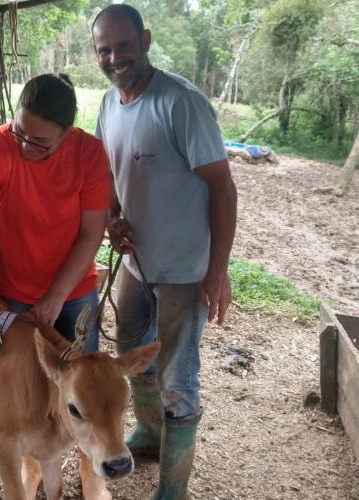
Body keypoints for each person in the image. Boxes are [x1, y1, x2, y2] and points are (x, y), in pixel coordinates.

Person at [92, 5, 238, 499]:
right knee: (133, 353)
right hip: (136, 262)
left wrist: (217, 272)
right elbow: (110, 177)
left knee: (179, 374)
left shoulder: (181, 102)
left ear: (145, 40)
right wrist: (113, 218)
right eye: (104, 50)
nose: (115, 58)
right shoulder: (110, 104)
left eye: (124, 46)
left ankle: (173, 488)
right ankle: (152, 435)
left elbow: (222, 188)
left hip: (183, 268)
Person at [0, 73, 110, 362]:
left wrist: (57, 294)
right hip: (11, 293)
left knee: (79, 389)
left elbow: (92, 232)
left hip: (73, 290)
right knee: (17, 392)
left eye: (40, 142)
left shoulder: (89, 153)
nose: (25, 146)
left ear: (67, 132)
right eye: (19, 131)